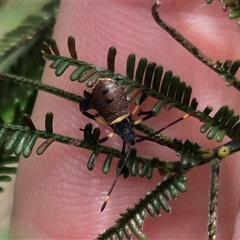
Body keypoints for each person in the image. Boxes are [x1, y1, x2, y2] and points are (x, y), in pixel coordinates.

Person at [9, 1, 240, 239]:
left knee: (120, 116)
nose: (130, 139)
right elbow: (123, 112)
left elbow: (118, 115)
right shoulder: (116, 130)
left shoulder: (113, 132)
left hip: (113, 105)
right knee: (123, 114)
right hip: (113, 104)